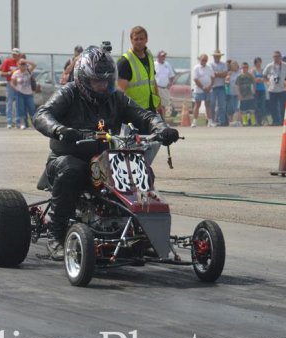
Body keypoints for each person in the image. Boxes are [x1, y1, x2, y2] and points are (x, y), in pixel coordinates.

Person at [33, 45, 179, 260]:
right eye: (97, 81)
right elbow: (42, 115)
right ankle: (56, 236)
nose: (103, 86)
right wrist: (60, 130)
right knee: (72, 169)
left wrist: (162, 129)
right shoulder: (69, 92)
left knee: (140, 170)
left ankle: (143, 234)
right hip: (67, 159)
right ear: (83, 79)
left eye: (107, 80)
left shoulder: (116, 98)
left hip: (104, 160)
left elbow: (145, 116)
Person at [117, 26, 161, 116]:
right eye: (136, 39)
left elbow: (153, 80)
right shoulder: (125, 61)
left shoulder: (149, 56)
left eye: (141, 39)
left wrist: (159, 102)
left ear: (146, 40)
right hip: (134, 111)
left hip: (151, 108)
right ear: (131, 40)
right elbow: (120, 91)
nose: (139, 42)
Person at [263, 51, 286, 125]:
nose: (276, 58)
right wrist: (267, 82)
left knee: (283, 106)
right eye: (274, 57)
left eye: (277, 56)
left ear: (280, 57)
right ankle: (275, 121)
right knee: (273, 107)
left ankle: (283, 121)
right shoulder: (269, 66)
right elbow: (264, 75)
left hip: (283, 89)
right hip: (272, 89)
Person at [11, 58, 37, 129]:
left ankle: (34, 123)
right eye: (21, 64)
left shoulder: (28, 71)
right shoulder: (16, 73)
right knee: (20, 108)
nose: (22, 66)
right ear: (18, 65)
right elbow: (12, 82)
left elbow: (34, 65)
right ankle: (22, 123)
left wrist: (25, 61)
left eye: (24, 65)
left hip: (29, 93)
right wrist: (15, 88)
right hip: (20, 93)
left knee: (32, 108)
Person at [0, 48, 22, 129]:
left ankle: (18, 122)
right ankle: (9, 122)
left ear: (19, 55)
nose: (14, 56)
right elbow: (1, 73)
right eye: (13, 54)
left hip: (20, 84)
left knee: (18, 104)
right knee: (9, 103)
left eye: (16, 54)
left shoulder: (21, 62)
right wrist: (9, 73)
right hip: (10, 84)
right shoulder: (7, 61)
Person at [191, 54, 215, 127]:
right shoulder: (196, 68)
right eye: (203, 60)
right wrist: (203, 87)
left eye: (205, 60)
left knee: (208, 105)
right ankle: (194, 122)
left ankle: (210, 122)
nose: (204, 61)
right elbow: (195, 79)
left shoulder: (209, 67)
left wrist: (210, 87)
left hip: (208, 89)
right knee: (197, 105)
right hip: (199, 90)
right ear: (200, 60)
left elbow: (213, 77)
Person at [154, 50, 175, 117]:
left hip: (165, 88)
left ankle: (163, 121)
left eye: (164, 56)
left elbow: (172, 76)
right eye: (162, 56)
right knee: (157, 105)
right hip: (157, 87)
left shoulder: (167, 64)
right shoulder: (154, 64)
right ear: (158, 56)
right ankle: (157, 120)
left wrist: (170, 84)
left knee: (163, 106)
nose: (163, 57)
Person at [210, 49, 228, 126]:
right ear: (214, 56)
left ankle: (222, 121)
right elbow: (211, 74)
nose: (217, 57)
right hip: (213, 87)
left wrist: (216, 74)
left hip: (221, 87)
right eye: (216, 56)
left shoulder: (223, 64)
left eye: (218, 56)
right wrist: (219, 74)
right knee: (212, 105)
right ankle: (211, 121)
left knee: (222, 105)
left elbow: (225, 74)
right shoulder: (210, 65)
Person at [236, 62, 257, 126]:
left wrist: (254, 90)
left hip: (250, 95)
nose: (245, 69)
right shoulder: (239, 76)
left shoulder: (250, 75)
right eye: (243, 67)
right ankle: (245, 122)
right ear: (241, 68)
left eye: (246, 67)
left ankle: (253, 121)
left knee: (251, 109)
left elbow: (254, 82)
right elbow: (237, 85)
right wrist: (239, 94)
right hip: (243, 95)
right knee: (243, 110)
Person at [251, 57, 267, 125]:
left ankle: (262, 120)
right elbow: (253, 79)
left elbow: (265, 79)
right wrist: (260, 79)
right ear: (255, 63)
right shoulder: (253, 70)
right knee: (256, 106)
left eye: (259, 62)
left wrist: (259, 79)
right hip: (256, 90)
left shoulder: (263, 70)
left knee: (262, 105)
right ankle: (257, 120)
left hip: (262, 89)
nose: (258, 63)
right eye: (257, 62)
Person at [225, 60, 241, 126]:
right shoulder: (229, 73)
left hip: (238, 94)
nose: (234, 66)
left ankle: (237, 122)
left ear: (237, 66)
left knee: (237, 108)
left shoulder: (240, 73)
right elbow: (226, 82)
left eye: (235, 64)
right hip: (230, 93)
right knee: (230, 109)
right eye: (232, 65)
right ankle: (230, 122)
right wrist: (227, 80)